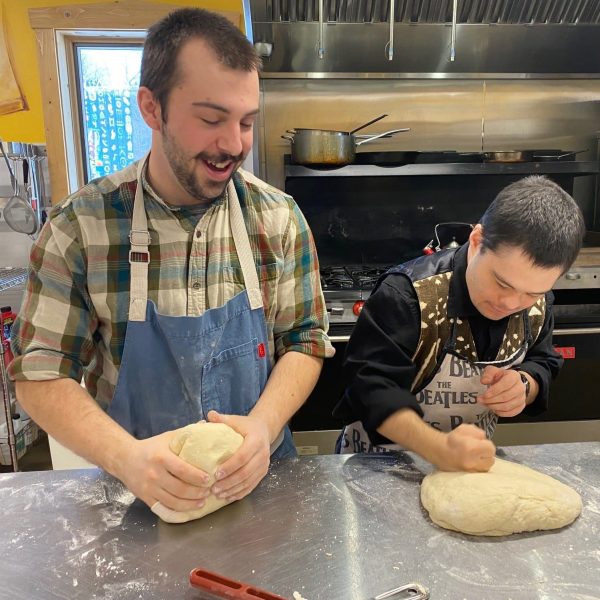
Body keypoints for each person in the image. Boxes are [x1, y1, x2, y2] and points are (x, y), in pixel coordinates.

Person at [9, 8, 333, 513]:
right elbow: (38, 373)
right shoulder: (81, 228)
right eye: (211, 119)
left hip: (261, 488)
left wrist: (263, 426)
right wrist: (129, 459)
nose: (233, 144)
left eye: (246, 122)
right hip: (130, 498)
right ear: (151, 108)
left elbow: (307, 340)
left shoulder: (278, 218)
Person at [334, 176, 585, 471]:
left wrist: (524, 385)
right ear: (477, 241)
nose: (511, 304)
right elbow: (371, 388)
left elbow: (542, 361)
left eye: (531, 293)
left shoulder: (538, 304)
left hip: (467, 472)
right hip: (377, 466)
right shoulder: (409, 295)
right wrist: (438, 449)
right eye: (501, 283)